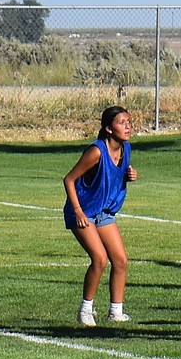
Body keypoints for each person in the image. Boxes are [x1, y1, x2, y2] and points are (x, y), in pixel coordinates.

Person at [63, 106, 137, 327]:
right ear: (108, 128)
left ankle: (116, 311)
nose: (127, 126)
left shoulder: (126, 149)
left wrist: (129, 175)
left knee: (121, 260)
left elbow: (116, 173)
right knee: (99, 259)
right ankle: (86, 309)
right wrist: (77, 211)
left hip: (105, 211)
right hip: (84, 211)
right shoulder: (96, 151)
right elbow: (68, 179)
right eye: (121, 122)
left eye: (129, 121)